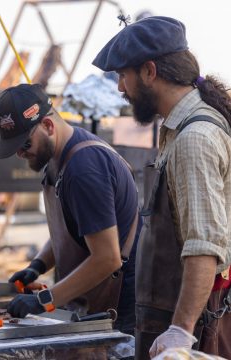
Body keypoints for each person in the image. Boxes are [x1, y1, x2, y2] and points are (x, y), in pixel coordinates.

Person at [93, 16, 231, 359]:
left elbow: (205, 246)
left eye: (123, 76)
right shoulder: (177, 129)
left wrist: (180, 332)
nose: (121, 88)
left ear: (150, 72)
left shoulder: (195, 138)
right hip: (170, 310)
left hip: (194, 323)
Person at [0, 83, 141, 335]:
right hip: (88, 306)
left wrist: (44, 300)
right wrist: (37, 265)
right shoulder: (56, 155)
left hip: (117, 315)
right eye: (14, 148)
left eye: (25, 144)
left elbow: (107, 258)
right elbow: (72, 229)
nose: (20, 154)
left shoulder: (84, 169)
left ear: (48, 126)